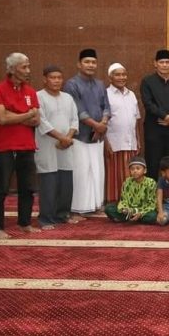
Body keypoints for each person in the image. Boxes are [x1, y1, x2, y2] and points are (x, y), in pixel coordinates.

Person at [0, 52, 41, 237]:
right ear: (12, 69)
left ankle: (24, 223)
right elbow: (1, 118)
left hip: (27, 146)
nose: (28, 70)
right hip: (5, 147)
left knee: (27, 188)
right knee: (1, 188)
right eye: (24, 67)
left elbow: (37, 119)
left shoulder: (30, 91)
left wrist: (16, 115)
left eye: (28, 66)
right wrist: (26, 114)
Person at [63, 48, 111, 217]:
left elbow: (106, 107)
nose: (91, 65)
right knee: (81, 172)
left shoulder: (99, 84)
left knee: (97, 171)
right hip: (80, 137)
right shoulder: (71, 84)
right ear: (79, 64)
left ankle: (96, 205)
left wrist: (103, 124)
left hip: (98, 137)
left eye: (93, 62)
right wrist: (96, 126)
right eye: (87, 62)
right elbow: (78, 110)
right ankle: (78, 207)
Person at [35, 66, 79, 229]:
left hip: (65, 146)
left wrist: (68, 137)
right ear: (45, 79)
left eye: (59, 78)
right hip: (47, 145)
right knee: (49, 182)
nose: (56, 81)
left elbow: (74, 119)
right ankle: (46, 218)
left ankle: (62, 214)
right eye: (52, 78)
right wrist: (62, 138)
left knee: (65, 181)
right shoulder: (38, 97)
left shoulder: (68, 97)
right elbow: (42, 121)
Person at [141, 49, 169, 180]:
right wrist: (165, 117)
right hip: (154, 129)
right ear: (155, 63)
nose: (164, 65)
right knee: (153, 162)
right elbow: (148, 104)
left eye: (167, 62)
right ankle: (152, 196)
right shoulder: (147, 81)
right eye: (161, 62)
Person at [105, 63, 141, 204]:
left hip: (130, 141)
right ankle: (114, 202)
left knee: (131, 173)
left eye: (124, 74)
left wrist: (138, 140)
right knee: (115, 175)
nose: (121, 77)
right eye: (117, 74)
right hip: (114, 142)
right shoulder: (106, 94)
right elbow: (103, 121)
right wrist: (106, 143)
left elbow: (136, 119)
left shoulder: (131, 94)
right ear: (110, 77)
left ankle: (131, 201)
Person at [104, 156, 158, 224]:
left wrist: (140, 213)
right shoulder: (127, 182)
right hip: (129, 211)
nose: (135, 171)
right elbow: (123, 200)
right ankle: (132, 218)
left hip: (143, 211)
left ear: (145, 170)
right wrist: (125, 209)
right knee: (109, 208)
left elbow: (152, 204)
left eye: (138, 168)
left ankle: (132, 218)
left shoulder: (151, 183)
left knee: (152, 216)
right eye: (132, 169)